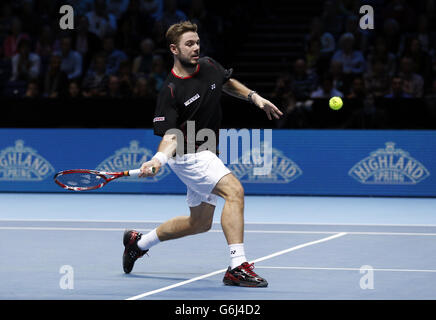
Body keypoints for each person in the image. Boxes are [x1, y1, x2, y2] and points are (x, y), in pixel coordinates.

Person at [122, 21, 282, 287]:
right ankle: (237, 266)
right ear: (174, 49)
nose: (196, 48)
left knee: (199, 223)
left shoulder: (208, 65)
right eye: (189, 44)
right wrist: (158, 159)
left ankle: (138, 243)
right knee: (234, 191)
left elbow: (226, 83)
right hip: (188, 154)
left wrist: (254, 97)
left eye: (197, 42)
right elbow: (171, 135)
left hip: (208, 151)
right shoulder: (171, 91)